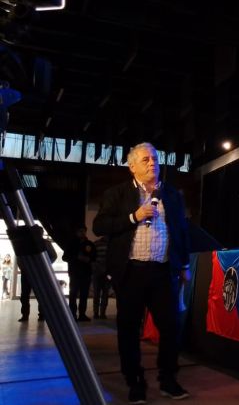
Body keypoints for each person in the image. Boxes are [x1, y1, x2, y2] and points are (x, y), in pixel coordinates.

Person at [93, 142, 191, 403]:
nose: (152, 163)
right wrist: (133, 217)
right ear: (132, 166)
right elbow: (100, 225)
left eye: (155, 159)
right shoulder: (117, 193)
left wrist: (184, 265)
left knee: (171, 327)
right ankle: (134, 380)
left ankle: (168, 379)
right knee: (128, 329)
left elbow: (181, 230)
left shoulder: (171, 194)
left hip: (162, 272)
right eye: (146, 159)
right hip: (131, 272)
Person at [62, 225, 96, 321]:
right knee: (73, 294)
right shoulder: (71, 244)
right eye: (80, 231)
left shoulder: (89, 244)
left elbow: (94, 256)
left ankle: (82, 314)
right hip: (74, 273)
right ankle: (72, 314)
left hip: (86, 273)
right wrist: (76, 257)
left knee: (84, 295)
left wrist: (88, 259)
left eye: (84, 231)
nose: (82, 233)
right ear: (76, 232)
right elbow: (64, 257)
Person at [92, 236, 110, 319]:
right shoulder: (97, 244)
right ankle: (98, 313)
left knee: (103, 294)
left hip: (104, 272)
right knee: (99, 294)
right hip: (99, 272)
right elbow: (92, 258)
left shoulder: (110, 244)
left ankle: (101, 313)